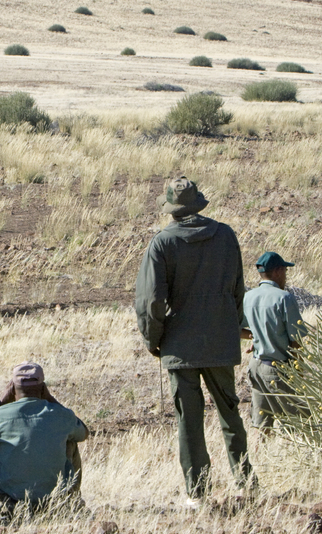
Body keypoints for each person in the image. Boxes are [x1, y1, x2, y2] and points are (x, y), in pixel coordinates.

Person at [135, 176, 254, 508]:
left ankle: (198, 492)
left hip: (180, 345)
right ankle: (246, 483)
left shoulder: (162, 243)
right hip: (220, 341)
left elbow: (151, 301)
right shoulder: (226, 235)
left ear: (171, 209)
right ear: (198, 204)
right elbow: (238, 288)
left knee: (189, 420)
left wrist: (153, 339)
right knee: (230, 413)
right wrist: (233, 326)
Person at [0, 362, 88, 510]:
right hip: (53, 500)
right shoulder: (61, 416)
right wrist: (50, 399)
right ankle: (71, 499)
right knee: (71, 441)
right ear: (43, 388)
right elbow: (84, 432)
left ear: (12, 388)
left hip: (9, 501)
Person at [242, 251, 309, 432]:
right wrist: (299, 371)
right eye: (285, 271)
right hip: (278, 368)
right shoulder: (284, 298)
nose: (286, 276)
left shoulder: (248, 297)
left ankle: (263, 449)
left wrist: (257, 336)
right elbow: (296, 340)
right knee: (299, 422)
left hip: (256, 366)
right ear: (278, 271)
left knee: (262, 424)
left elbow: (234, 329)